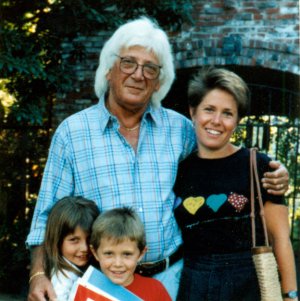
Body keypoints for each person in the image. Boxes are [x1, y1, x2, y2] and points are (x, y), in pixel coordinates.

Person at [26, 17, 289, 301]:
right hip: (104, 283)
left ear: (158, 81)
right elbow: (45, 217)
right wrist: (38, 274)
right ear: (108, 71)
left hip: (172, 280)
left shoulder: (180, 130)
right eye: (128, 63)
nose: (138, 75)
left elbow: (222, 154)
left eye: (150, 68)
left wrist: (272, 170)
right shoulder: (73, 133)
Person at [174, 67, 298, 301]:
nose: (216, 121)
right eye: (209, 109)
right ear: (193, 112)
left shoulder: (260, 167)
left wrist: (290, 296)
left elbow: (281, 238)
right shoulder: (180, 170)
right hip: (193, 285)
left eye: (227, 113)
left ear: (237, 120)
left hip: (246, 286)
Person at [89, 206, 172, 300]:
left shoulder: (155, 290)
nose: (118, 264)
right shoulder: (86, 287)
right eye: (109, 253)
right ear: (95, 253)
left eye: (127, 254)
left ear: (141, 253)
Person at [39, 196, 100, 301]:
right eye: (74, 240)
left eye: (89, 239)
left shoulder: (82, 270)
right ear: (57, 240)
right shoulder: (62, 279)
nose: (85, 248)